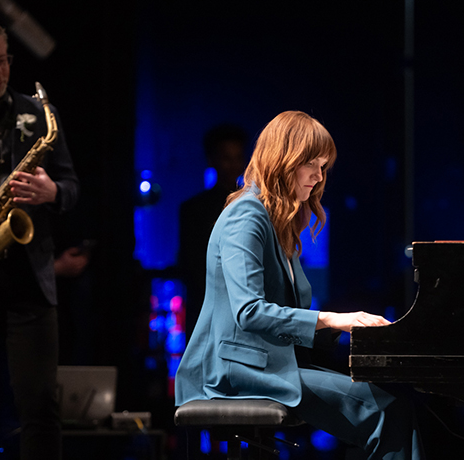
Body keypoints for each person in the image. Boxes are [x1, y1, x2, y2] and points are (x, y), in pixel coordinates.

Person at [175, 111, 424, 459]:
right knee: (386, 413)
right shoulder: (246, 215)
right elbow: (249, 312)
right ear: (286, 160)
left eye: (323, 167)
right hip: (236, 370)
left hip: (267, 363)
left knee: (393, 404)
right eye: (314, 165)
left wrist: (355, 330)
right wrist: (334, 319)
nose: (319, 177)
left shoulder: (277, 221)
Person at [0, 23, 79, 460]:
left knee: (41, 409)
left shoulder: (36, 116)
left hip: (28, 284)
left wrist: (53, 193)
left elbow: (71, 186)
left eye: (3, 59)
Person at [178, 124, 247, 340]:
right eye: (227, 158)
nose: (234, 165)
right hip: (206, 305)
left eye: (238, 158)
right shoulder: (194, 209)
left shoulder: (255, 205)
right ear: (212, 160)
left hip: (244, 307)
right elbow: (191, 261)